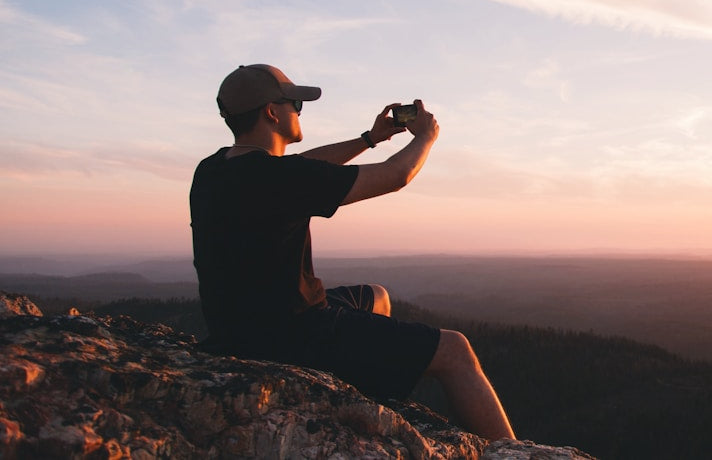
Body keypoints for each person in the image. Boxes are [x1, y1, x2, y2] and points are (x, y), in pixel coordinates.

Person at [189, 64, 514, 441]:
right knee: (455, 350)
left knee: (376, 297)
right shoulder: (278, 178)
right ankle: (513, 452)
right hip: (290, 335)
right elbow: (395, 175)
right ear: (271, 112)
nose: (298, 110)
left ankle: (363, 388)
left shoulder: (213, 170)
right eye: (295, 102)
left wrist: (368, 138)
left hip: (237, 328)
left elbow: (302, 167)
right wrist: (425, 138)